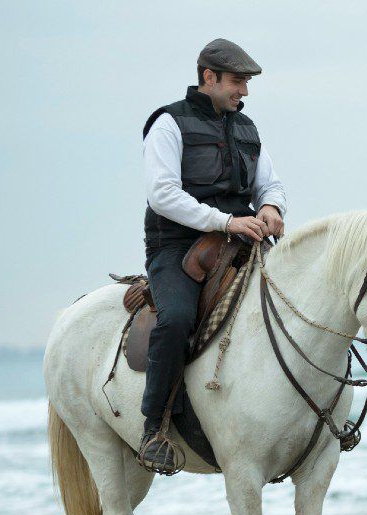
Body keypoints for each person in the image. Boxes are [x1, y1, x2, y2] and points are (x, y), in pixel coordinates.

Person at [138, 39, 287, 470]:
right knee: (177, 319)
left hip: (241, 242)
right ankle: (154, 428)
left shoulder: (247, 129)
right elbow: (162, 194)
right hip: (178, 247)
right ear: (209, 77)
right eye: (238, 81)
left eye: (246, 82)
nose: (244, 91)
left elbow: (270, 183)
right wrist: (225, 222)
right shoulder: (169, 124)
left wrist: (271, 208)